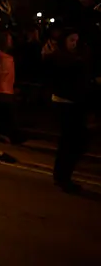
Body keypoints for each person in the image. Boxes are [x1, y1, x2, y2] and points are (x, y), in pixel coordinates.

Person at [45, 29, 94, 193]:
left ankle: (62, 175)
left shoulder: (76, 57)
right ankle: (62, 177)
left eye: (76, 40)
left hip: (76, 102)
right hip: (65, 102)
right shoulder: (60, 58)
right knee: (69, 142)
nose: (74, 43)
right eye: (71, 40)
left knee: (74, 141)